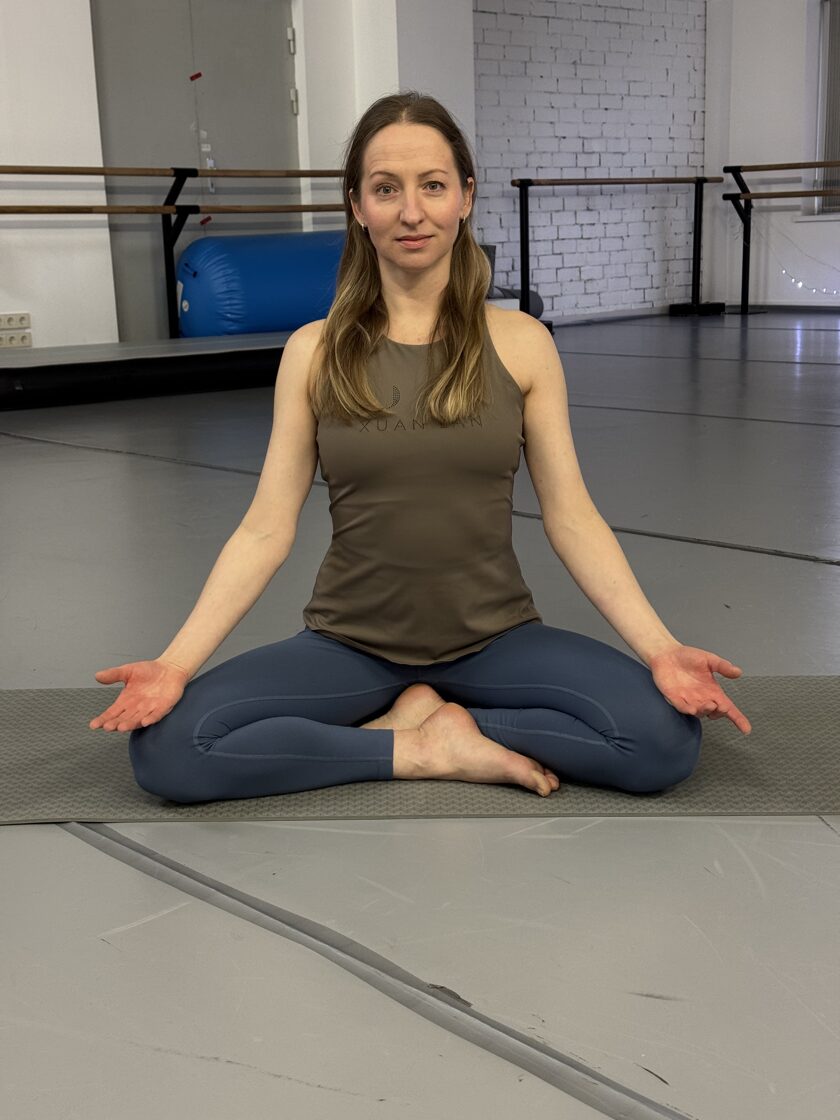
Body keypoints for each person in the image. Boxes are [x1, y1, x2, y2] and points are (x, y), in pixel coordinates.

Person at [89, 91, 751, 804]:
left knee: (662, 739)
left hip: (497, 641)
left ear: (465, 197)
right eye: (386, 189)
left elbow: (573, 518)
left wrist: (661, 649)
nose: (411, 212)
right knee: (169, 751)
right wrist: (175, 664)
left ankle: (457, 724)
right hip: (349, 646)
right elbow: (265, 530)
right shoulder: (313, 352)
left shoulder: (523, 344)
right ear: (357, 206)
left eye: (432, 186)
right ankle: (417, 746)